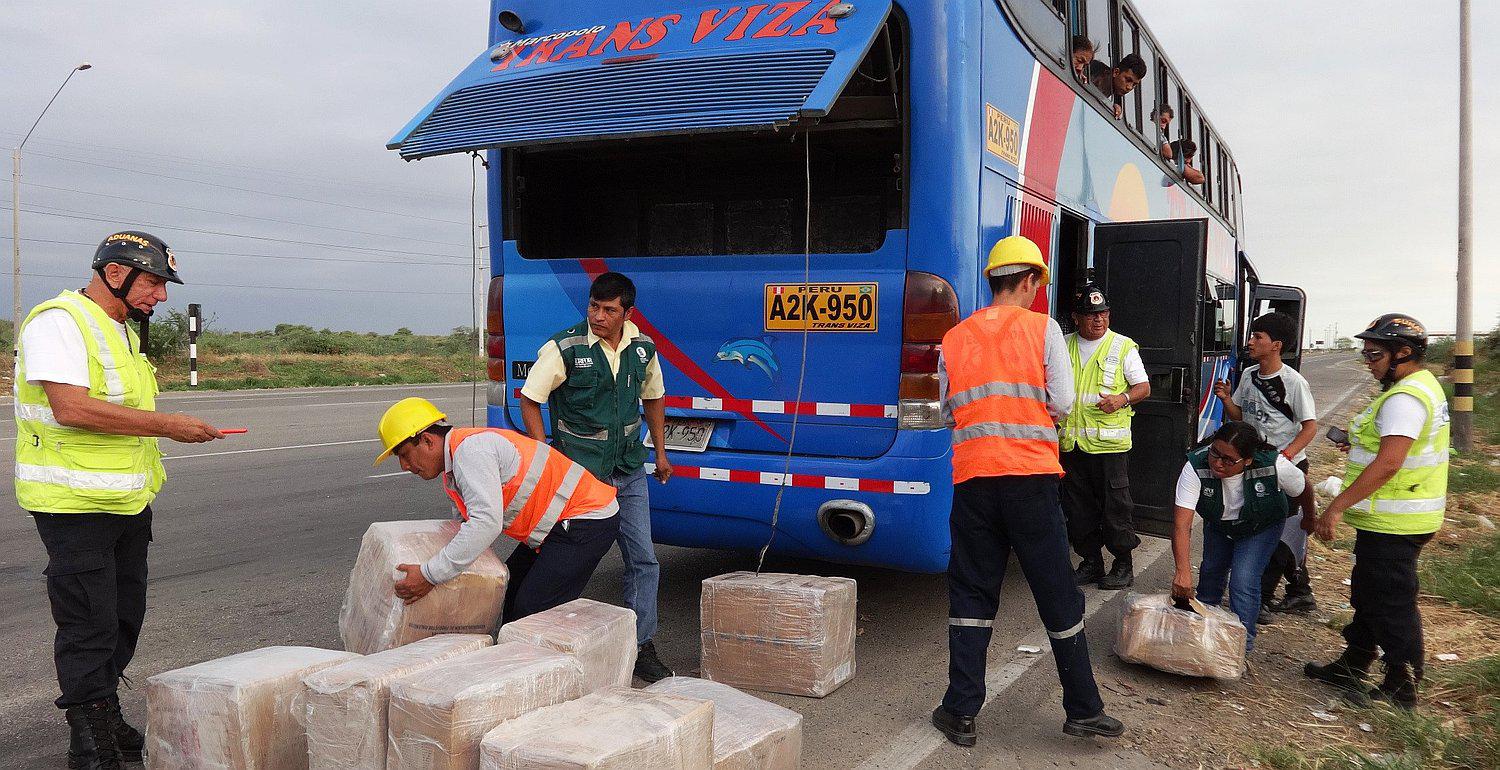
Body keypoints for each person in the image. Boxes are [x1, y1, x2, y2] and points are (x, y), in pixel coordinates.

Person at [17, 231, 223, 770]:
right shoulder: (59, 321)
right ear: (115, 274)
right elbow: (71, 409)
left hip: (126, 503)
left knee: (125, 615)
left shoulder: (121, 331)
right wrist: (170, 426)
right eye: (154, 282)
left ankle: (104, 709)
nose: (161, 296)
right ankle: (88, 739)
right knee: (88, 621)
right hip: (73, 504)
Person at [930, 236, 1124, 747]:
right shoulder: (1044, 330)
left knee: (972, 592)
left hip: (973, 481)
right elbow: (1060, 401)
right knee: (1056, 591)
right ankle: (1083, 709)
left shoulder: (955, 337)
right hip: (1032, 480)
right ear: (1030, 281)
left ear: (994, 280)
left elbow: (947, 410)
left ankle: (961, 711)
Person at [519, 271, 675, 683]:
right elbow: (530, 399)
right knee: (566, 559)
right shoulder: (564, 347)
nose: (598, 316)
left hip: (629, 471)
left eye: (609, 310)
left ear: (627, 312)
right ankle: (539, 637)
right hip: (581, 480)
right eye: (594, 306)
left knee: (644, 560)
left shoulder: (642, 349)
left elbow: (654, 398)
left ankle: (641, 645)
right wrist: (545, 452)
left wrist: (660, 452)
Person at [1305, 314, 1449, 710]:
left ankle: (1402, 684)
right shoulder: (1418, 386)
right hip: (1400, 516)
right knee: (1370, 592)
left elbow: (1389, 463)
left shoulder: (1404, 398)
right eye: (1365, 354)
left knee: (1389, 601)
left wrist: (1336, 507)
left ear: (1403, 353)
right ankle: (1354, 663)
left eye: (1374, 354)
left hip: (1397, 519)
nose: (1368, 363)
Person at [374, 398, 622, 625]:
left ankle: (550, 668)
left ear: (427, 440)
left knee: (531, 613)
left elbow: (485, 524)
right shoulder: (455, 465)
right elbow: (463, 526)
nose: (405, 466)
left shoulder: (471, 453)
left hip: (586, 520)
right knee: (508, 592)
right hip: (557, 526)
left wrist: (429, 574)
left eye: (405, 455)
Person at [1169, 421, 1314, 651]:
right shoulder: (1195, 466)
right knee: (1211, 572)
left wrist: (1310, 518)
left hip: (1261, 526)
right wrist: (1182, 572)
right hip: (1220, 524)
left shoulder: (1274, 465)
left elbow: (1304, 487)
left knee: (1243, 580)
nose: (1217, 462)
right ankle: (1203, 637)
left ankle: (1239, 648)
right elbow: (1181, 524)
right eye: (1214, 453)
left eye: (1228, 460)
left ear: (1247, 460)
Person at [1214, 312, 1319, 620]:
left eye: (1257, 337)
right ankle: (1299, 591)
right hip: (1255, 465)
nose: (1250, 341)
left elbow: (1310, 427)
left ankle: (1260, 596)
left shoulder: (1293, 382)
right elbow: (1241, 418)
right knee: (1260, 529)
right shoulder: (1248, 375)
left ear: (1276, 345)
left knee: (1278, 534)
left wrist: (1286, 457)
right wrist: (1225, 399)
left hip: (1285, 468)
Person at [1060, 283, 1150, 590]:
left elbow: (1143, 388)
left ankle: (1123, 565)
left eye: (1103, 313)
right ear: (1075, 317)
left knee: (1116, 508)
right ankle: (1091, 563)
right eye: (1091, 314)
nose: (1099, 319)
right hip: (1071, 444)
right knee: (1078, 509)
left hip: (1109, 446)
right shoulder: (1062, 344)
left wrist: (1121, 399)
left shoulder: (1122, 346)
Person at [1089, 53, 1147, 119]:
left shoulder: (1111, 94)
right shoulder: (1093, 74)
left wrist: (1112, 106)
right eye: (1128, 80)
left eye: (1134, 84)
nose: (1129, 87)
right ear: (1116, 72)